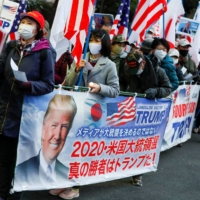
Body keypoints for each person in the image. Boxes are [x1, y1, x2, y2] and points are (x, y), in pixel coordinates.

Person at [50, 29, 119, 199]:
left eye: (97, 40)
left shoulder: (109, 64)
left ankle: (75, 186)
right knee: (69, 148)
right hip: (75, 110)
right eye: (92, 39)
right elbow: (67, 83)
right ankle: (63, 182)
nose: (94, 43)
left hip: (94, 114)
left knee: (83, 151)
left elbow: (115, 90)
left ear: (104, 43)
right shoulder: (81, 58)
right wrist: (76, 69)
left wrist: (100, 87)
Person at [0, 10, 54, 200]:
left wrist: (29, 85)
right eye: (23, 21)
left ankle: (13, 196)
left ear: (38, 29)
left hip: (25, 117)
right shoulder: (11, 46)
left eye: (30, 23)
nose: (24, 25)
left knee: (17, 165)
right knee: (2, 162)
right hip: (4, 112)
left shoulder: (45, 52)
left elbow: (48, 84)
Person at [121, 50, 171, 186]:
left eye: (136, 68)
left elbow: (168, 88)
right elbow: (122, 83)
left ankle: (138, 174)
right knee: (125, 142)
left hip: (149, 115)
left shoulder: (158, 71)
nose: (134, 71)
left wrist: (157, 91)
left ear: (143, 63)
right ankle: (119, 169)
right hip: (131, 109)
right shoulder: (128, 69)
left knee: (141, 145)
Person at [14, 94, 77, 189]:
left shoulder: (67, 172)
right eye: (54, 125)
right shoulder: (21, 169)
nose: (57, 136)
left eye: (64, 127)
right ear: (43, 128)